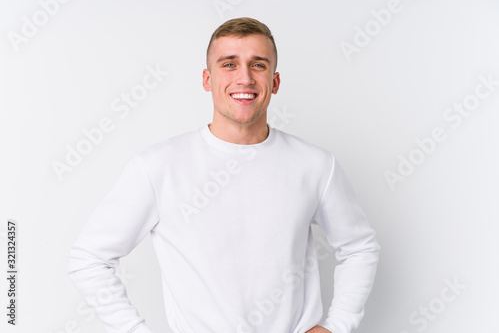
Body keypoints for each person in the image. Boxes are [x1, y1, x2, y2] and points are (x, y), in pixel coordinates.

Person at [67, 17, 380, 333]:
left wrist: (338, 325)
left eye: (258, 65)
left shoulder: (315, 165)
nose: (244, 77)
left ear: (275, 81)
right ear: (207, 79)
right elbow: (89, 259)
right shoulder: (158, 166)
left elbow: (359, 247)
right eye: (229, 64)